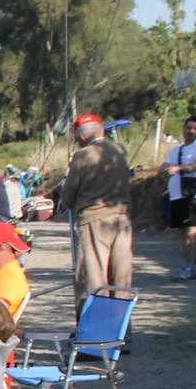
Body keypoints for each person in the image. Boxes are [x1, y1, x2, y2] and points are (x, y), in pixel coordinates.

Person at [59, 113, 133, 318]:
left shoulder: (83, 156)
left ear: (82, 137)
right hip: (122, 219)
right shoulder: (120, 151)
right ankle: (121, 335)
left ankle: (95, 336)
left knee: (93, 278)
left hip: (93, 219)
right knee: (121, 278)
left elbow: (68, 195)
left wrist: (66, 200)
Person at [161, 115, 196, 281]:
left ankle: (192, 266)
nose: (190, 131)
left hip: (191, 195)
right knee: (182, 232)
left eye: (194, 129)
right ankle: (187, 265)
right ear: (183, 128)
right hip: (176, 195)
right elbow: (164, 166)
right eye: (188, 127)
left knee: (191, 230)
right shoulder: (176, 150)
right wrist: (169, 168)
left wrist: (179, 168)